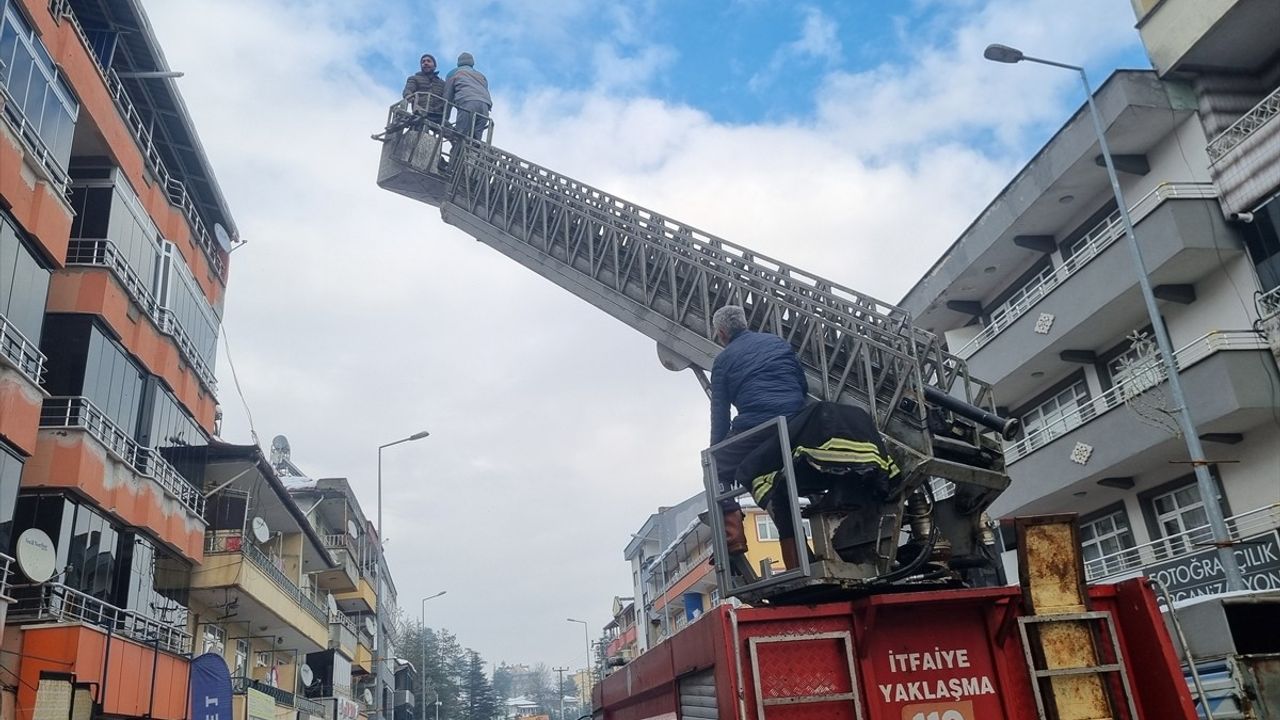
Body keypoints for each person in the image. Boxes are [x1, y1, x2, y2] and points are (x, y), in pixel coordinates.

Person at [707, 305, 808, 555]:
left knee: (714, 466)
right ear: (744, 322)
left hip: (758, 427)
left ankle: (733, 539)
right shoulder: (778, 343)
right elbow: (802, 385)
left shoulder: (722, 361)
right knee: (780, 489)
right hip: (797, 423)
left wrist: (715, 450)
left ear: (721, 333)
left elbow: (720, 415)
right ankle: (800, 555)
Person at [444, 52, 493, 140]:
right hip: (485, 107)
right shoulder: (481, 76)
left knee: (460, 135)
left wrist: (445, 117)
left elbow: (448, 96)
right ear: (472, 63)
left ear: (458, 63)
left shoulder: (453, 73)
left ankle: (457, 152)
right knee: (475, 140)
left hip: (468, 104)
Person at [402, 54, 445, 125]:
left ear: (434, 66)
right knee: (416, 129)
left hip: (437, 114)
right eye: (423, 62)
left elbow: (447, 96)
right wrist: (408, 95)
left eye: (429, 61)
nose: (425, 63)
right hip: (420, 112)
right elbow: (408, 89)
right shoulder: (414, 78)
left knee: (453, 133)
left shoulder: (442, 83)